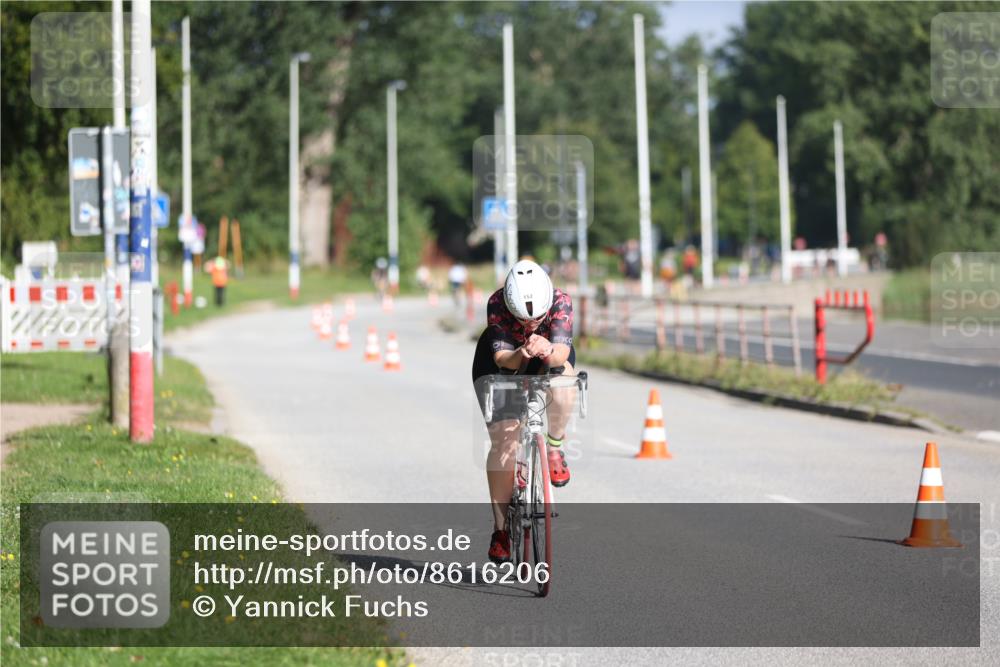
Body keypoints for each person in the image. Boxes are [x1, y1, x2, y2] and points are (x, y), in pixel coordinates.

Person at [471, 259, 578, 563]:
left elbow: (561, 352)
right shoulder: (497, 303)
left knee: (565, 378)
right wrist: (521, 351)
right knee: (504, 442)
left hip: (548, 353)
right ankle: (501, 530)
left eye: (537, 319)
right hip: (500, 361)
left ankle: (555, 446)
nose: (530, 325)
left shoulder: (560, 302)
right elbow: (504, 359)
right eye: (523, 320)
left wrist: (545, 347)